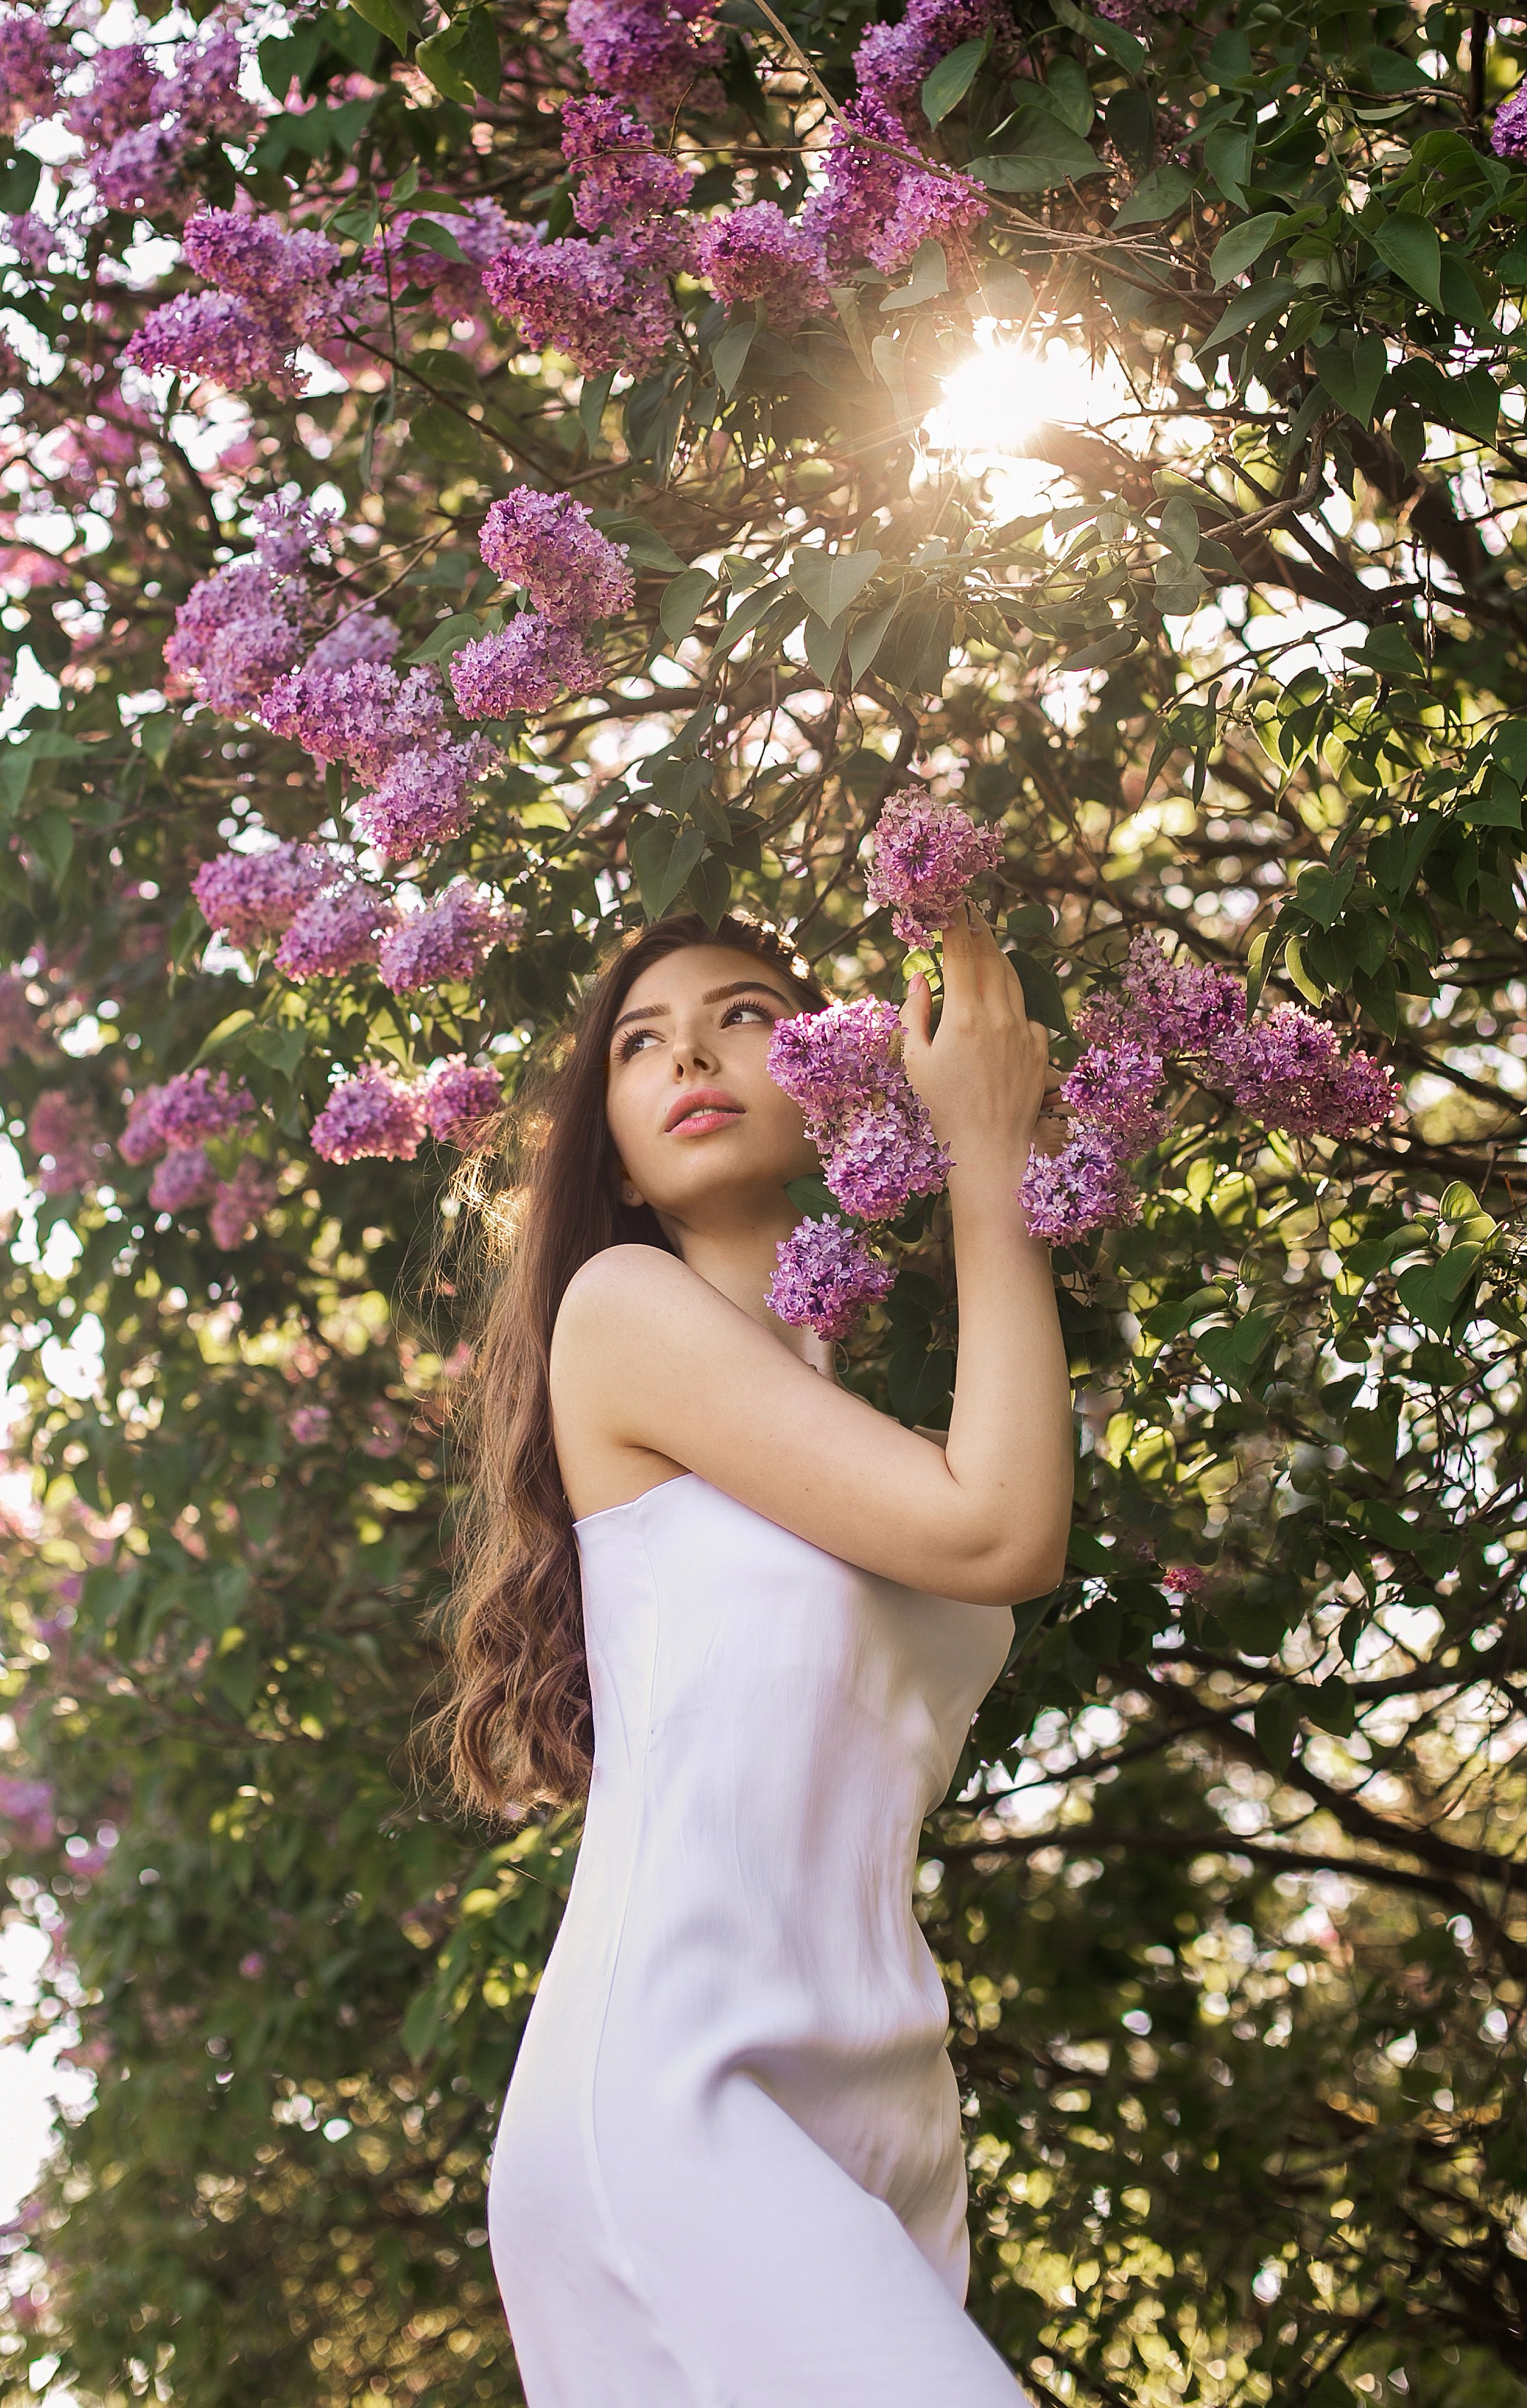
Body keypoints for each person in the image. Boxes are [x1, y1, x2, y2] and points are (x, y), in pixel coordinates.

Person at [442, 906, 1073, 2404]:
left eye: (740, 1016)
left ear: (835, 1079)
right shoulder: (620, 1314)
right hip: (673, 2089)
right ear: (611, 1144)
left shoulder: (874, 1433)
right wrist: (989, 1153)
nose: (689, 1057)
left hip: (881, 2101)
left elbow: (990, 1502)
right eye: (639, 1045)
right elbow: (997, 1539)